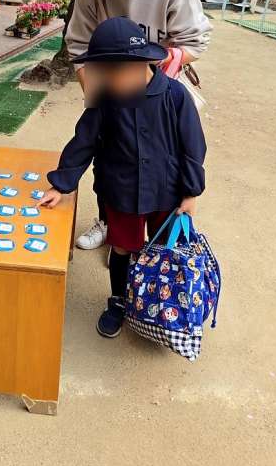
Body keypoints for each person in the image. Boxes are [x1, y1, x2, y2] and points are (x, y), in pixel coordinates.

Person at [39, 17, 206, 338]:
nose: (107, 80)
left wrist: (191, 192)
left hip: (166, 193)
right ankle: (119, 300)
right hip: (122, 192)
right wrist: (61, 184)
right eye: (102, 73)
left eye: (113, 73)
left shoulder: (175, 96)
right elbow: (84, 141)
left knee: (164, 250)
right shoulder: (105, 99)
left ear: (140, 64)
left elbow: (192, 146)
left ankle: (160, 305)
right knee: (122, 248)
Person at [66, 0, 211, 250]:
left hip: (157, 87)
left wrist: (157, 66)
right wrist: (98, 98)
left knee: (160, 164)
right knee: (111, 159)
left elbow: (196, 42)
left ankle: (157, 241)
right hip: (111, 86)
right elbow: (78, 42)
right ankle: (111, 222)